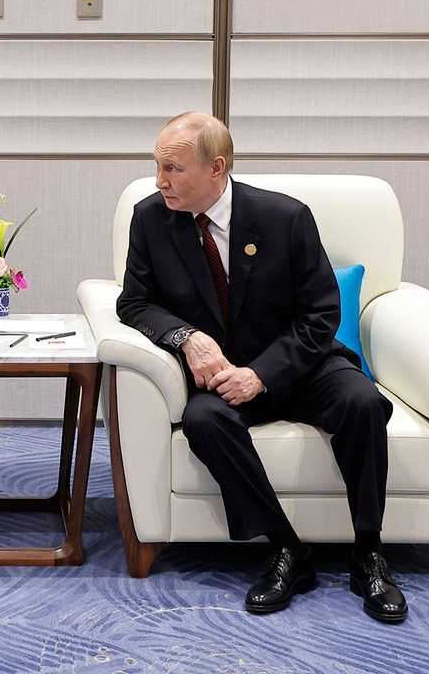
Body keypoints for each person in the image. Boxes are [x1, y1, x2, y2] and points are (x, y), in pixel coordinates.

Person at [117, 112, 407, 623]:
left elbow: (321, 315)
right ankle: (286, 548)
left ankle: (369, 552)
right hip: (221, 375)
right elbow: (134, 303)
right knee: (204, 420)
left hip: (299, 365)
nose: (160, 180)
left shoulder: (285, 217)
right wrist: (187, 338)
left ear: (216, 168)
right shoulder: (151, 219)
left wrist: (263, 374)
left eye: (173, 168)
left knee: (362, 402)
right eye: (158, 166)